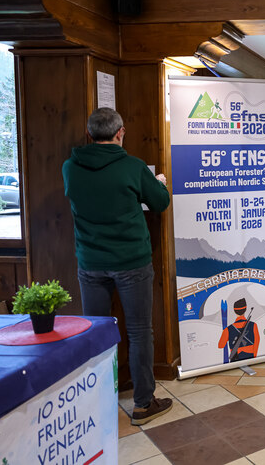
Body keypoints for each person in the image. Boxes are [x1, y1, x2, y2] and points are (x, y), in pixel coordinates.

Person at [62, 107, 172, 426]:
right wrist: (158, 182)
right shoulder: (133, 167)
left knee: (96, 332)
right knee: (139, 332)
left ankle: (99, 402)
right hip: (131, 261)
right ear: (120, 132)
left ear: (89, 134)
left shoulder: (70, 167)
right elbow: (160, 202)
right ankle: (143, 404)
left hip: (90, 263)